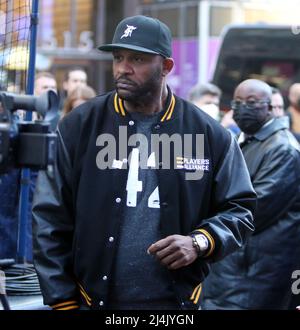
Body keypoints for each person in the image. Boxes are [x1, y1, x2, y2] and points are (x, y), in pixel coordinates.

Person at [32, 15, 256, 310]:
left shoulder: (208, 134)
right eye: (118, 57)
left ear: (166, 67)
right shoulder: (79, 126)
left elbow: (241, 209)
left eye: (137, 59)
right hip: (92, 301)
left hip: (175, 305)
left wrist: (200, 241)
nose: (123, 68)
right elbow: (49, 218)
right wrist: (63, 301)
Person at [201, 79, 300, 310]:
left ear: (271, 107)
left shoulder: (283, 150)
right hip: (232, 270)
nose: (243, 108)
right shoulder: (242, 141)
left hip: (254, 274)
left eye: (252, 102)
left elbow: (254, 210)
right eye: (237, 102)